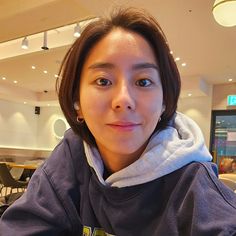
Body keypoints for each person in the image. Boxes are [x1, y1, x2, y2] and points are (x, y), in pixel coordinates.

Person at [0, 7, 236, 236]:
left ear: (165, 102)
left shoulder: (194, 184)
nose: (123, 100)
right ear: (77, 102)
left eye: (143, 82)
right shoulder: (73, 154)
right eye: (103, 81)